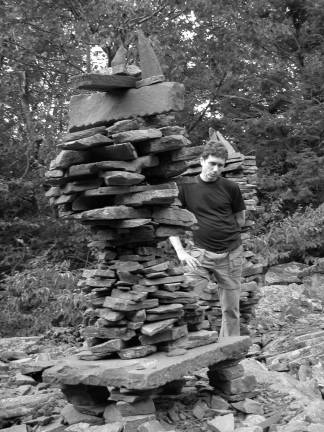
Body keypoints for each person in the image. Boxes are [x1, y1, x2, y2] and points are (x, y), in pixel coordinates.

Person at [169, 138, 246, 339]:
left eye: (220, 165)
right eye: (212, 163)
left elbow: (240, 219)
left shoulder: (231, 188)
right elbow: (171, 222)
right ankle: (180, 346)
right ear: (202, 161)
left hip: (231, 255)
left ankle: (230, 352)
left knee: (231, 309)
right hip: (200, 255)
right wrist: (181, 252)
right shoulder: (186, 187)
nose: (216, 169)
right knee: (183, 299)